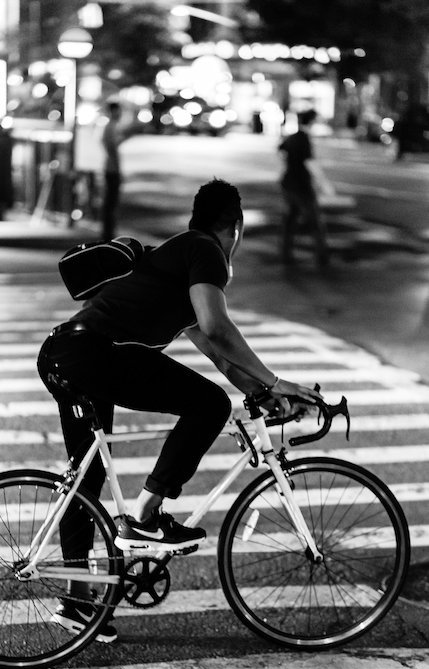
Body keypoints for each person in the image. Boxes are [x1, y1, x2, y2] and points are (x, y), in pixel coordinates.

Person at [37, 178, 322, 641]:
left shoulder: (176, 259)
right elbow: (219, 326)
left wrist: (262, 394)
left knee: (83, 482)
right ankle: (146, 517)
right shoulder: (205, 251)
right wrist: (275, 380)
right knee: (208, 403)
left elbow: (216, 349)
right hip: (91, 355)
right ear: (236, 225)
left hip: (64, 355)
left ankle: (78, 601)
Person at [278, 109, 335, 275]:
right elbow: (309, 162)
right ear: (312, 122)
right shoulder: (304, 139)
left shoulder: (292, 136)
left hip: (288, 183)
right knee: (315, 221)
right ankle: (322, 257)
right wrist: (324, 183)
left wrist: (289, 165)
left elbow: (280, 151)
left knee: (289, 220)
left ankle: (285, 255)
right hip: (301, 185)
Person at [101, 101, 126, 240]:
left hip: (110, 168)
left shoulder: (110, 127)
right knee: (111, 202)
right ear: (112, 112)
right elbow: (111, 149)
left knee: (110, 203)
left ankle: (108, 233)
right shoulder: (110, 127)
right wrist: (118, 170)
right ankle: (108, 234)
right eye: (118, 111)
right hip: (112, 170)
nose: (120, 114)